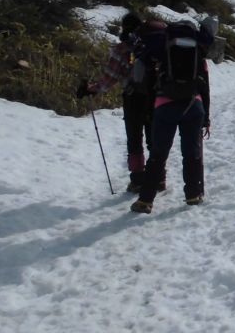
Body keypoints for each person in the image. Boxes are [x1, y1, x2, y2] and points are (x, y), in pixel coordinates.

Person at [130, 17, 214, 214]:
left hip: (165, 105)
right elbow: (205, 87)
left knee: (158, 154)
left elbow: (140, 73)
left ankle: (145, 200)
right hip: (194, 106)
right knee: (191, 153)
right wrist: (206, 117)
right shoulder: (198, 51)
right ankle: (193, 195)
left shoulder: (162, 45)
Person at [77, 11, 161, 192]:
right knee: (155, 139)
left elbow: (109, 80)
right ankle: (159, 178)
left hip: (133, 98)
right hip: (156, 97)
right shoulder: (157, 46)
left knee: (134, 139)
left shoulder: (121, 49)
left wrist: (91, 88)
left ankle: (138, 180)